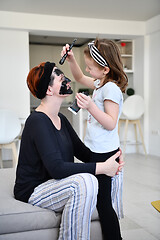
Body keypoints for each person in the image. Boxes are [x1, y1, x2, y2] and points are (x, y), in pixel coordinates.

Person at [14, 61, 124, 240]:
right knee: (84, 181)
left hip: (55, 184)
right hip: (34, 190)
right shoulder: (37, 121)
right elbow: (57, 168)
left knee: (115, 172)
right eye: (61, 78)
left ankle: (112, 231)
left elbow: (85, 153)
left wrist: (113, 160)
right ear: (49, 90)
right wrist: (102, 167)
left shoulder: (61, 119)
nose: (67, 80)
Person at [61, 38, 128, 240]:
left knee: (104, 204)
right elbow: (79, 77)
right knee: (99, 200)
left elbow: (110, 122)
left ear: (106, 69)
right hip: (96, 150)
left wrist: (91, 107)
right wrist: (71, 59)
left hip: (105, 154)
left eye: (91, 67)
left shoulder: (111, 89)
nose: (88, 71)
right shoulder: (101, 83)